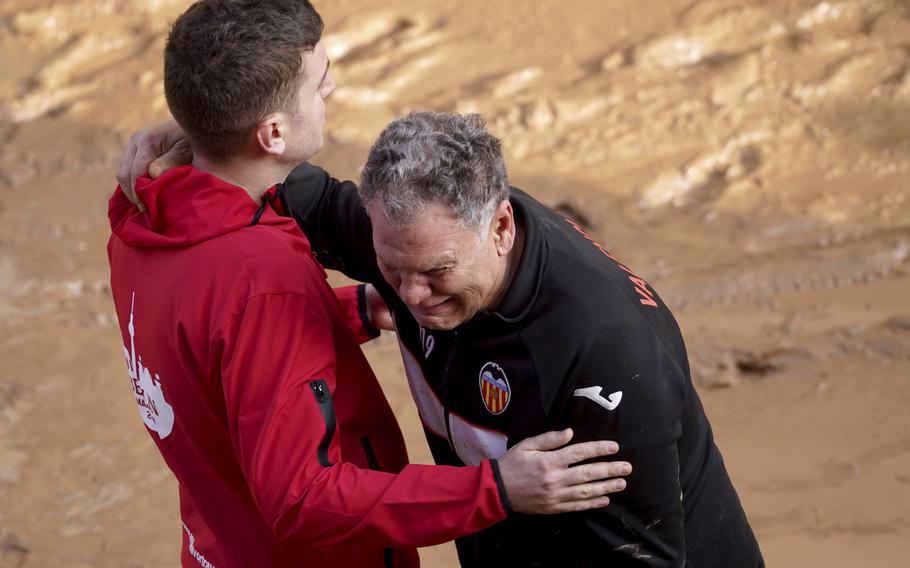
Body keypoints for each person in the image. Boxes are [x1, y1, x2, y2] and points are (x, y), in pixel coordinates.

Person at [107, 3, 631, 568]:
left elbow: (207, 343)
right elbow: (302, 499)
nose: (330, 85)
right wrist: (496, 488)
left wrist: (352, 307)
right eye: (317, 82)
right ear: (274, 131)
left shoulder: (140, 212)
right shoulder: (260, 279)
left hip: (216, 544)